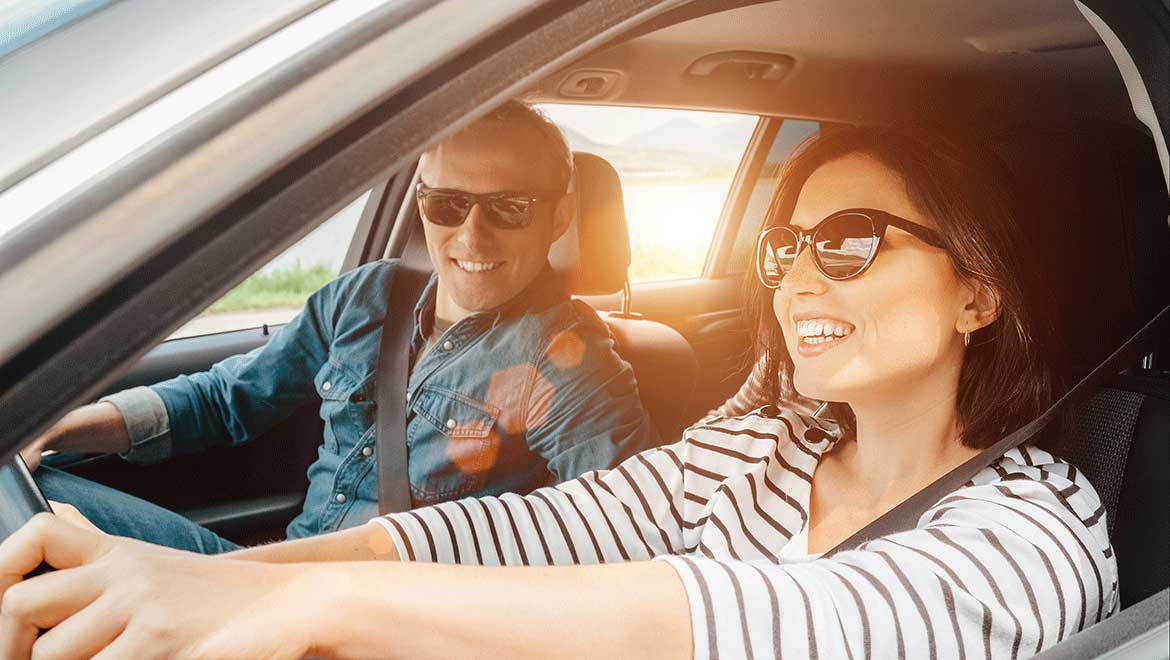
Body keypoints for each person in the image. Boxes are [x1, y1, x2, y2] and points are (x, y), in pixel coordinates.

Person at [0, 126, 1116, 660]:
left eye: (855, 242)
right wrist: (241, 582)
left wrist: (313, 609)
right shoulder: (761, 440)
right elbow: (553, 523)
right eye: (785, 247)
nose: (800, 277)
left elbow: (774, 622)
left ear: (980, 291)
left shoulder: (1036, 529)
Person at [20, 100, 658, 555]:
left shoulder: (571, 363)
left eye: (510, 209)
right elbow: (226, 399)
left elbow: (622, 534)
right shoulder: (366, 298)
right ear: (422, 201)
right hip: (262, 579)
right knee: (23, 492)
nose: (472, 235)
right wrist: (57, 427)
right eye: (448, 204)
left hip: (383, 628)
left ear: (560, 216)